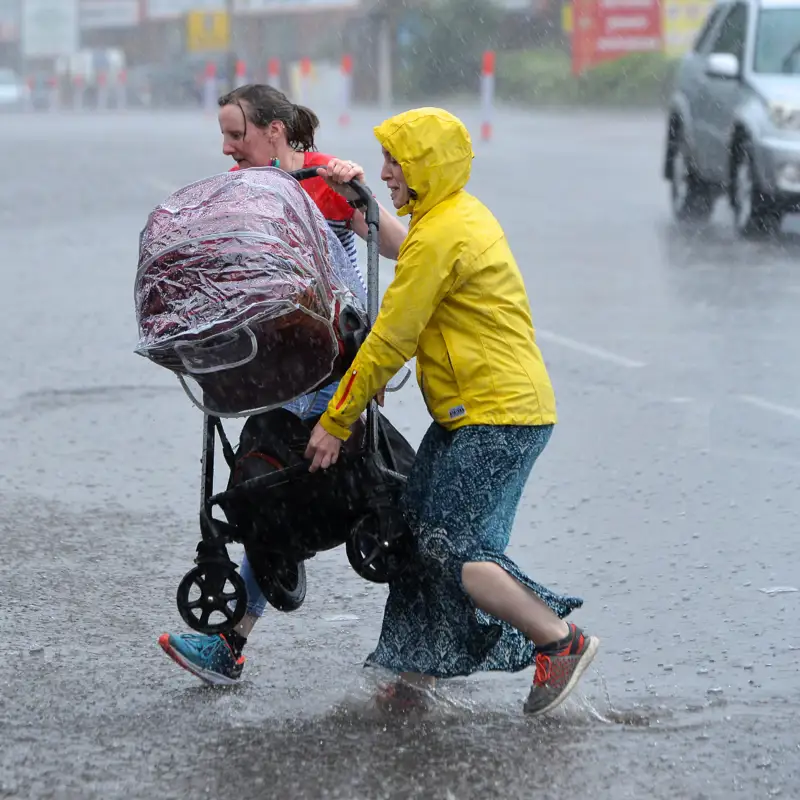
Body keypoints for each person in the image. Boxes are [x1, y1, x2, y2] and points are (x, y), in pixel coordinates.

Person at [304, 107, 600, 716]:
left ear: (425, 168)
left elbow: (390, 337)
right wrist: (357, 198)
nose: (386, 173)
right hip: (476, 414)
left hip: (500, 417)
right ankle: (416, 682)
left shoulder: (442, 234)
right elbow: (404, 256)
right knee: (417, 539)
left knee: (457, 549)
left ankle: (559, 641)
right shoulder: (450, 217)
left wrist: (335, 421)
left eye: (395, 163)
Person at [157, 84, 408, 686]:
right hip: (277, 377)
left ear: (275, 131)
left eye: (236, 134)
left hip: (333, 376)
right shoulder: (241, 196)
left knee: (385, 502)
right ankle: (230, 644)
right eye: (222, 135)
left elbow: (400, 246)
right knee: (270, 497)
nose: (226, 147)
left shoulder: (323, 181)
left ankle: (454, 637)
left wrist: (361, 199)